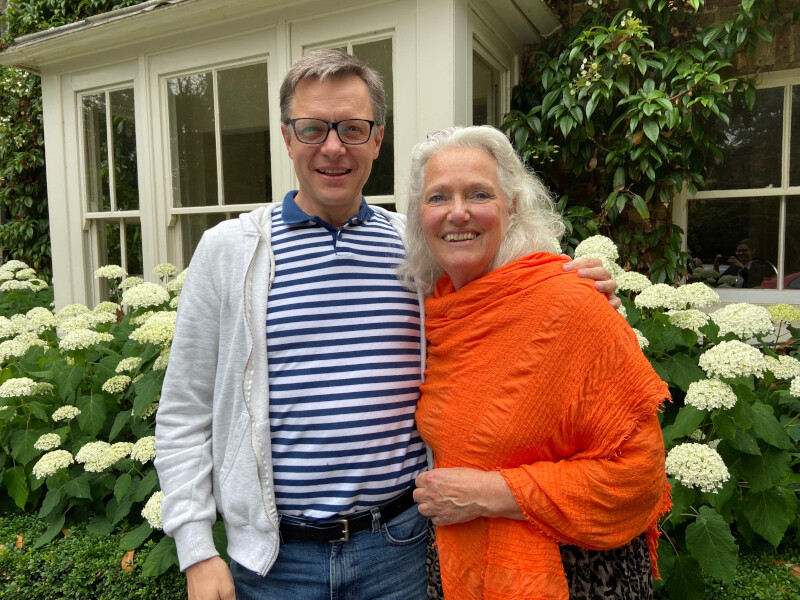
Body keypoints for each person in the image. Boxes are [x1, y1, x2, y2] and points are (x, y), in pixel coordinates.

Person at [154, 51, 617, 600]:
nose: (333, 147)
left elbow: (508, 296)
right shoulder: (231, 251)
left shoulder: (419, 245)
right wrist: (195, 549)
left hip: (399, 546)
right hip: (276, 561)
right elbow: (184, 410)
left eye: (353, 129)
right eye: (312, 128)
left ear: (377, 139)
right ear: (287, 137)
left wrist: (576, 285)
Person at [398, 126, 670, 600]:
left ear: (513, 206)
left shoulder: (570, 303)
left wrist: (490, 494)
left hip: (578, 575)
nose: (457, 212)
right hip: (460, 564)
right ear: (419, 215)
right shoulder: (437, 310)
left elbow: (638, 477)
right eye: (438, 197)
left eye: (478, 193)